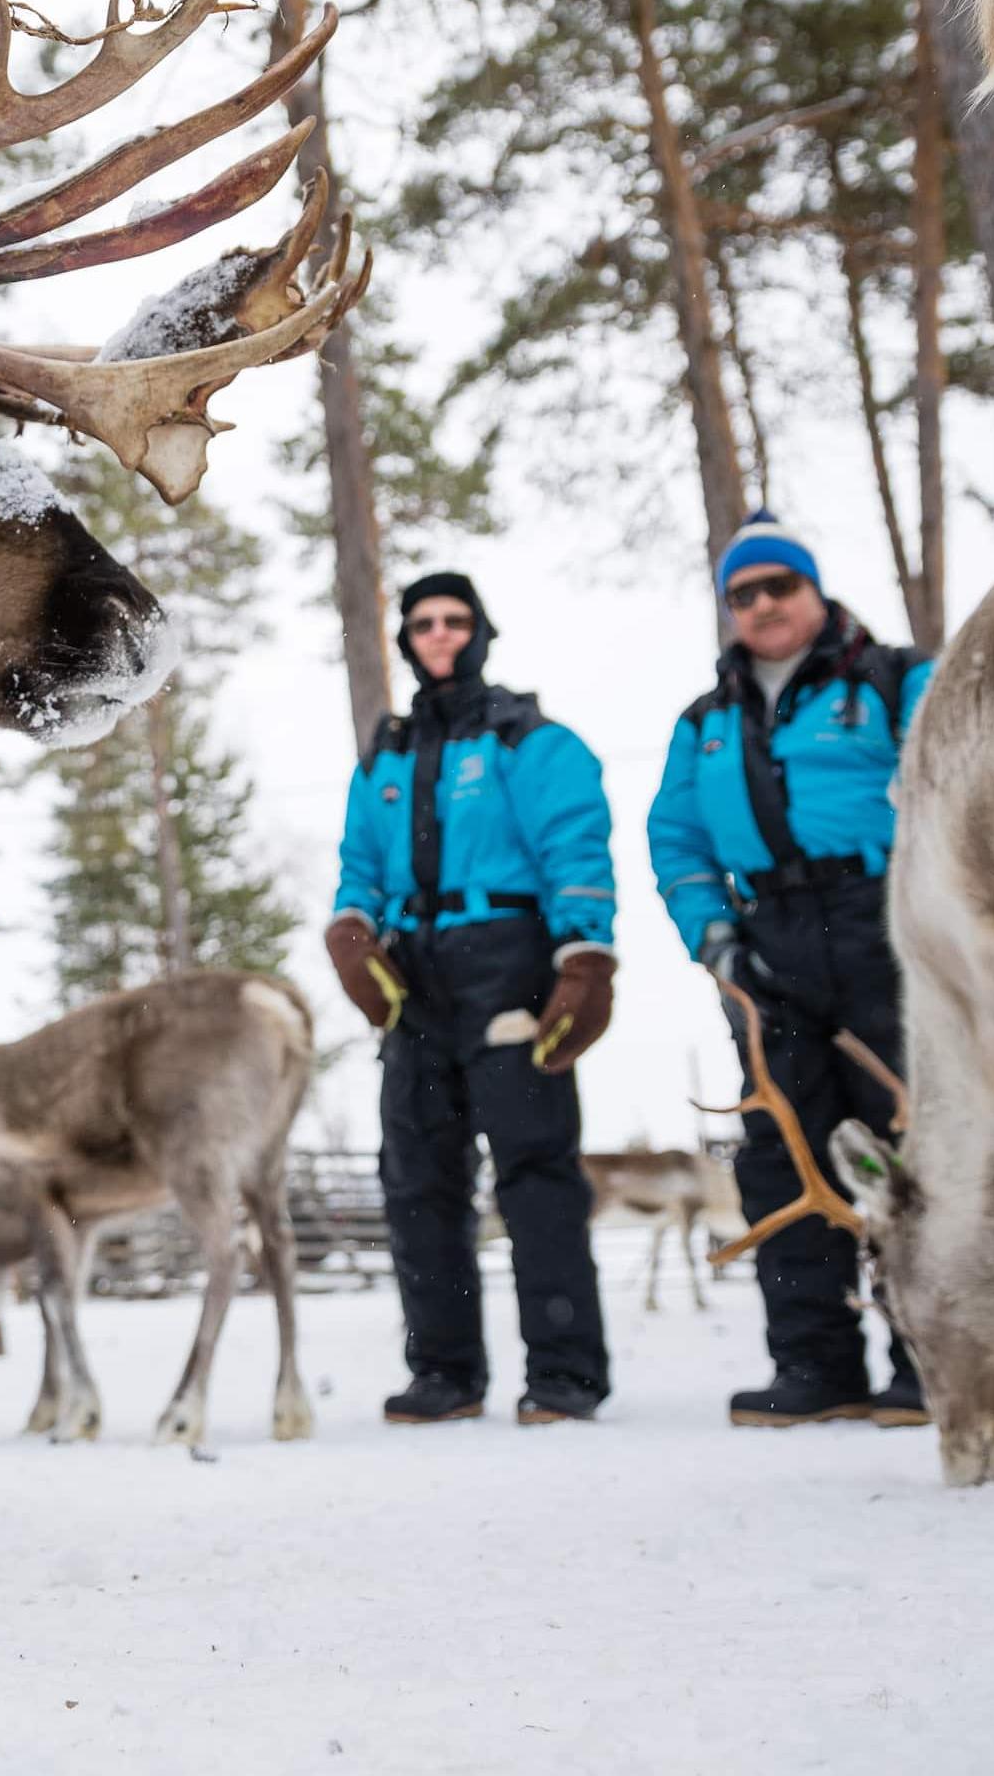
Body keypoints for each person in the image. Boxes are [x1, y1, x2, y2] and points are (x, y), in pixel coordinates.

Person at [645, 511, 933, 1429]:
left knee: (912, 1141)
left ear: (813, 590)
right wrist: (716, 941)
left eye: (779, 586)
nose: (762, 604)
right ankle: (815, 1364)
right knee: (782, 1151)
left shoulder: (896, 681)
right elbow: (677, 839)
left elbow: (956, 791)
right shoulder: (705, 723)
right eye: (743, 593)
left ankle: (932, 1355)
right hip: (767, 947)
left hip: (888, 928)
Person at [324, 572, 620, 1428]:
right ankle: (444, 1372)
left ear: (480, 632)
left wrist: (583, 955)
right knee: (417, 1175)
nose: (439, 633)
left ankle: (564, 1372)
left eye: (455, 620)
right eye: (422, 622)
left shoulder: (528, 739)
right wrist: (350, 928)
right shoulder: (385, 755)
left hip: (508, 959)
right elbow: (358, 863)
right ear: (407, 640)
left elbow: (574, 843)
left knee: (533, 1170)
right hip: (413, 972)